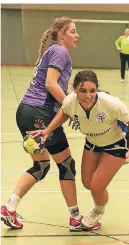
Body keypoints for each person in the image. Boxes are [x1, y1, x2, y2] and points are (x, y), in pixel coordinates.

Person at [28, 70, 129, 230]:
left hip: (116, 145)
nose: (88, 96)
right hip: (92, 143)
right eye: (83, 91)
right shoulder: (70, 101)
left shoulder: (111, 104)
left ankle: (97, 211)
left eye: (92, 91)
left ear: (97, 90)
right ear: (75, 89)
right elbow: (64, 113)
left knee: (97, 187)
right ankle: (103, 180)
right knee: (87, 183)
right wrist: (47, 131)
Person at [0, 17, 83, 231]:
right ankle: (75, 218)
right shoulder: (60, 52)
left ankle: (10, 207)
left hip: (25, 111)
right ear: (62, 33)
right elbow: (50, 84)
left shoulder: (53, 51)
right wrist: (71, 108)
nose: (77, 35)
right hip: (41, 113)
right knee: (66, 165)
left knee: (42, 165)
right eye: (73, 31)